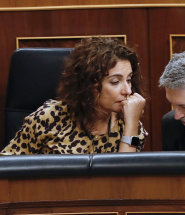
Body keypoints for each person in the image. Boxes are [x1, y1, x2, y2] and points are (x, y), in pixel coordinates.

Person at [1, 37, 148, 154]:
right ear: (89, 84)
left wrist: (131, 127)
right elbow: (8, 170)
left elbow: (123, 180)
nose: (128, 90)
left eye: (128, 80)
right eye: (115, 82)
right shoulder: (49, 118)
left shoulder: (130, 122)